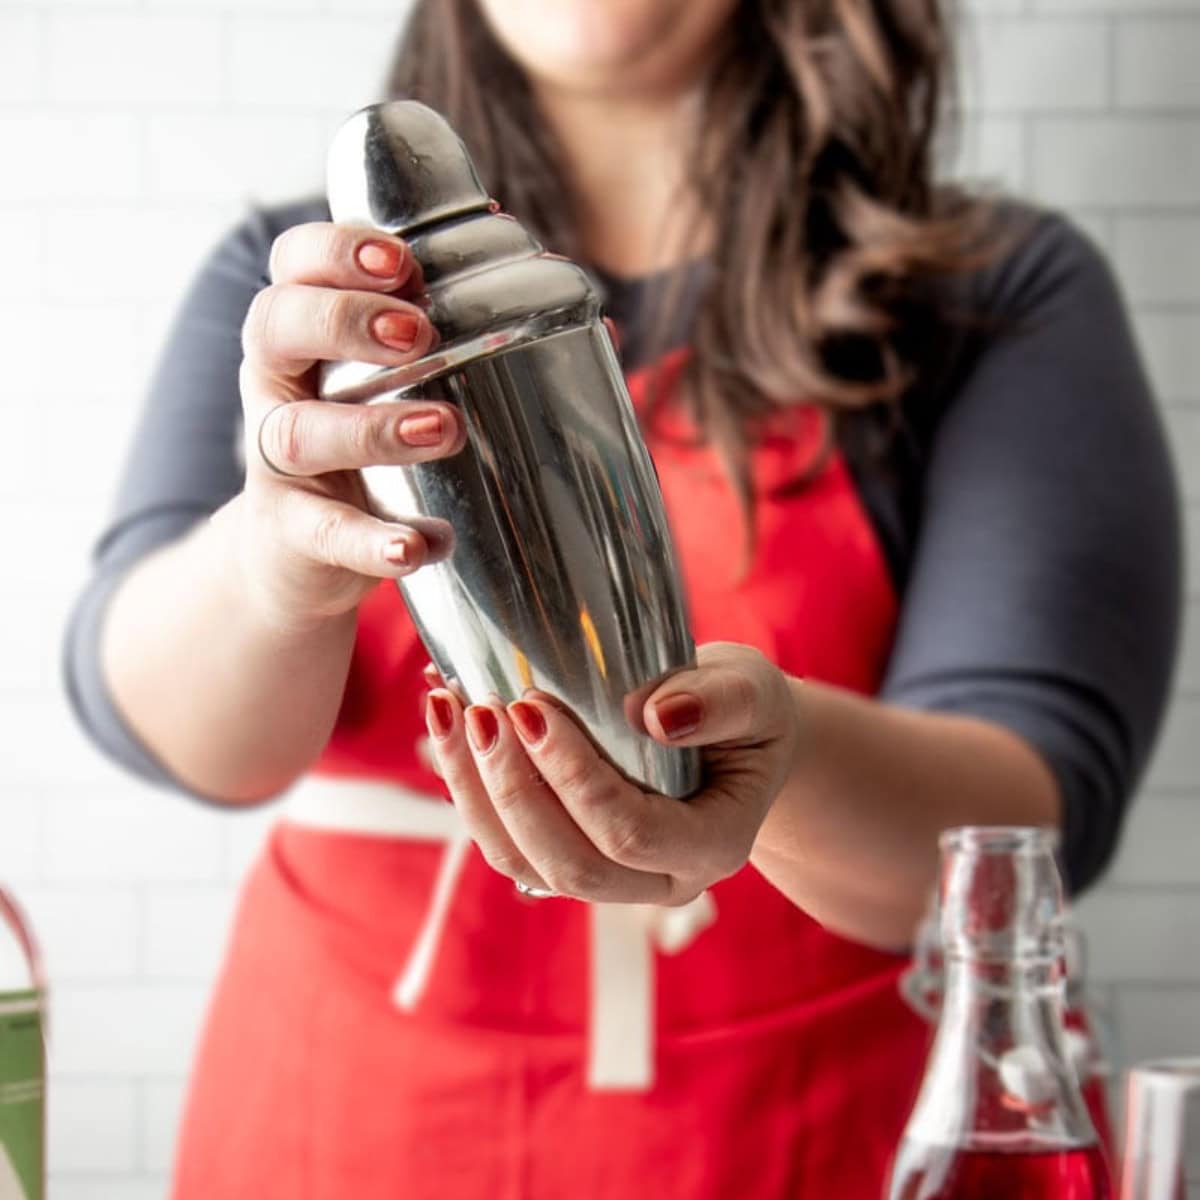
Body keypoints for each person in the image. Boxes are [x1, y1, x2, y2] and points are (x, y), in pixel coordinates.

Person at [64, 0, 1180, 1196]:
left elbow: (1013, 832)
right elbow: (173, 733)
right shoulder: (302, 298)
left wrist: (774, 765)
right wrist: (268, 562)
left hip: (816, 1145)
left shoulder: (991, 297)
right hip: (344, 1132)